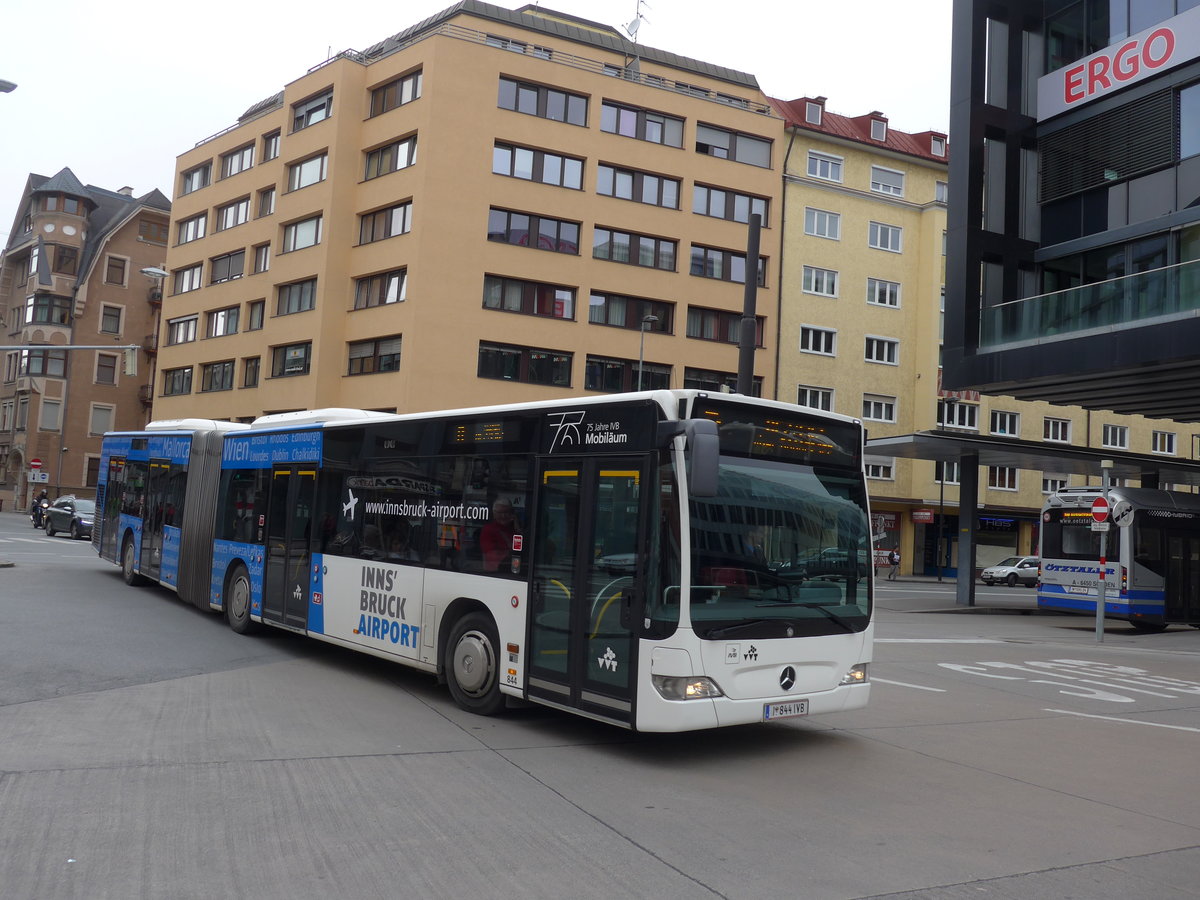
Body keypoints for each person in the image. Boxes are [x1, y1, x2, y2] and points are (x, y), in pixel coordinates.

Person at [480, 498, 519, 571]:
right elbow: (492, 556)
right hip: (496, 572)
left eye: (506, 512)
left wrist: (517, 526)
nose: (503, 516)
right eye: (500, 513)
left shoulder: (514, 529)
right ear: (494, 514)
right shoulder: (489, 529)